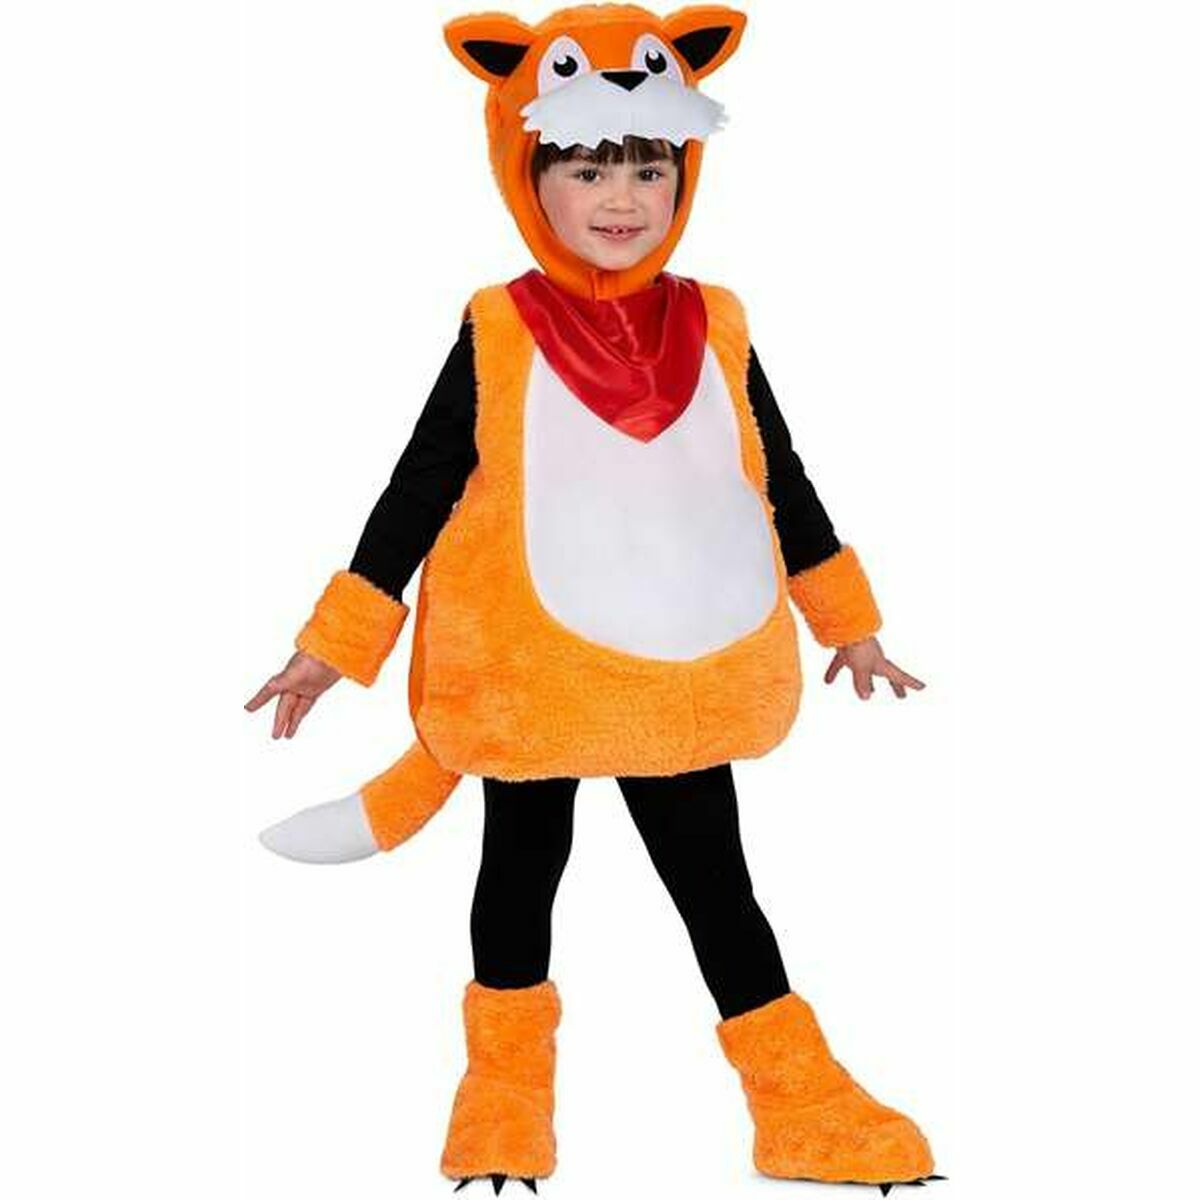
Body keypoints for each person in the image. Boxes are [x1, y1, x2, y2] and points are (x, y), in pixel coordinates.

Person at [245, 6, 939, 1194]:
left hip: (678, 669)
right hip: (541, 674)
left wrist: (848, 621)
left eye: (649, 166)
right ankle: (503, 1101)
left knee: (718, 887)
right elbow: (419, 485)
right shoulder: (498, 327)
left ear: (686, 174)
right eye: (586, 166)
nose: (623, 196)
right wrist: (335, 647)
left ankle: (799, 1102)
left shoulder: (719, 320)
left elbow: (777, 472)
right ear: (527, 174)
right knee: (522, 874)